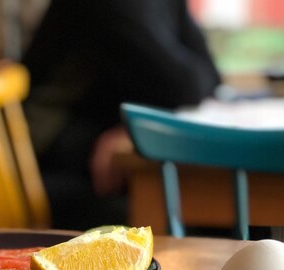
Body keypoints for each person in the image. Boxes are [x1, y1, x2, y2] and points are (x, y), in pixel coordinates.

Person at [22, 0, 221, 230]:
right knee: (203, 214)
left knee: (213, 204)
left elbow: (209, 78)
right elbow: (184, 87)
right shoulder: (108, 5)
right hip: (54, 169)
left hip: (103, 153)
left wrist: (132, 125)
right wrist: (136, 125)